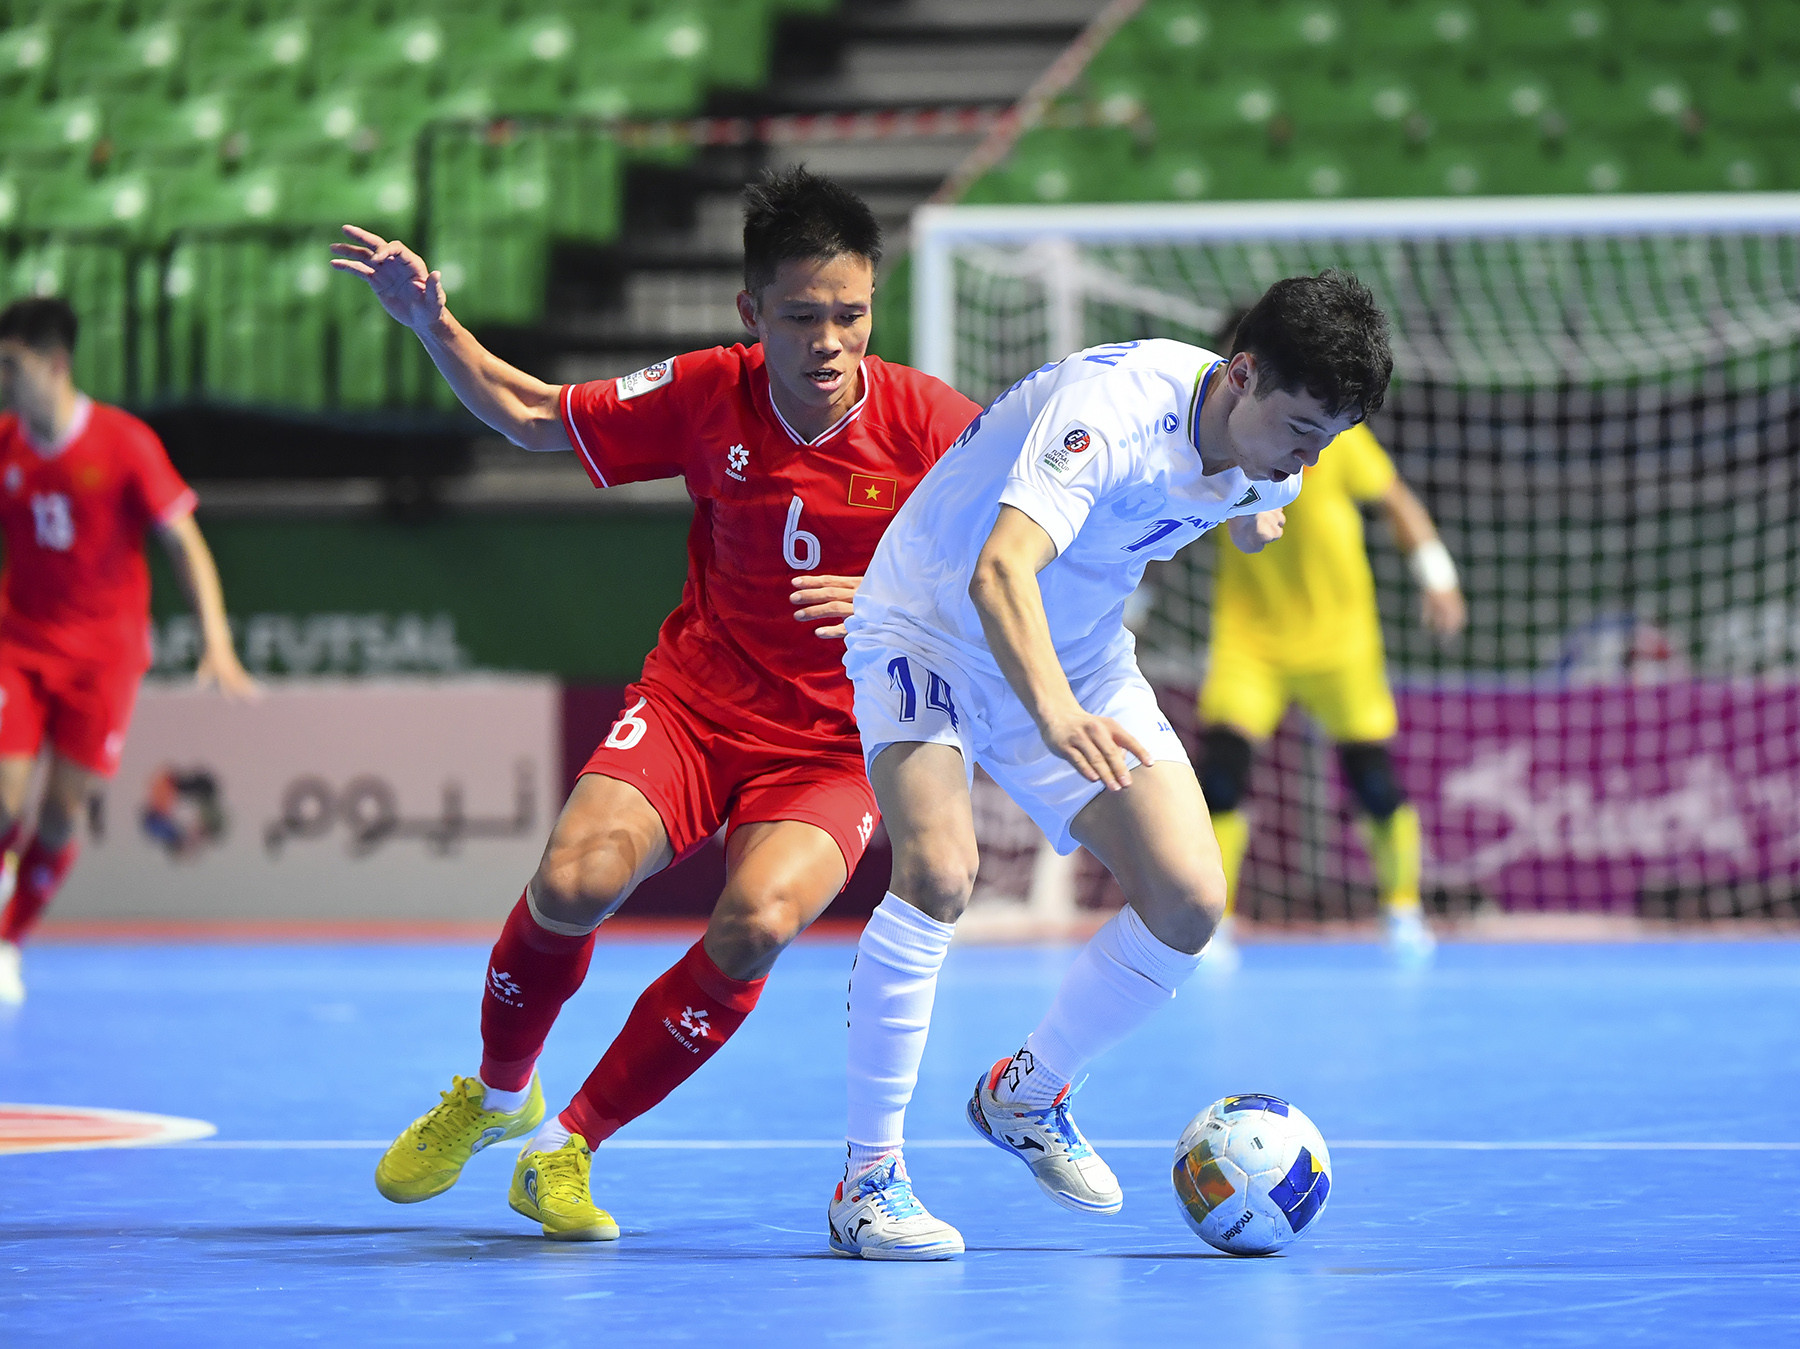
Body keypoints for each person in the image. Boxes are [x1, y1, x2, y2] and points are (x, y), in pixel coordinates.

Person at [333, 167, 979, 1240]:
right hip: (695, 705)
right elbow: (537, 416)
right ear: (751, 313)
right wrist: (432, 324)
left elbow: (1031, 552)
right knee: (573, 879)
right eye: (802, 316)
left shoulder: (931, 425)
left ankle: (568, 1145)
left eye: (852, 315)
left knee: (758, 921)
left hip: (832, 743)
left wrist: (899, 594)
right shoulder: (706, 391)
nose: (830, 341)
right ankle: (498, 1096)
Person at [826, 272, 1392, 1259]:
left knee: (1187, 899)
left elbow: (1255, 488)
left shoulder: (1274, 457)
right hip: (935, 632)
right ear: (1242, 373)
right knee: (939, 872)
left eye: (1330, 439)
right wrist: (1054, 716)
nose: (1312, 456)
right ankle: (867, 1182)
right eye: (1303, 428)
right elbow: (997, 568)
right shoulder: (1112, 412)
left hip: (1081, 653)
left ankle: (1026, 1092)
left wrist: (1256, 509)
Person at [0, 297, 258, 1005]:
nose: (3, 380)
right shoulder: (6, 444)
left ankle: (9, 941)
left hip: (103, 658)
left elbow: (184, 542)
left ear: (54, 365)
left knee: (58, 814)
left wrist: (216, 636)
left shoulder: (123, 443)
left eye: (11, 366)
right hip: (17, 642)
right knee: (3, 792)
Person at [1196, 312, 1466, 971]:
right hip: (1250, 635)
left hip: (1339, 637)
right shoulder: (1208, 440)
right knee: (1222, 772)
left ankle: (1402, 909)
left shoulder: (1333, 436)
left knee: (1371, 778)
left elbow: (1396, 501)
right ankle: (1213, 918)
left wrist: (1437, 577)